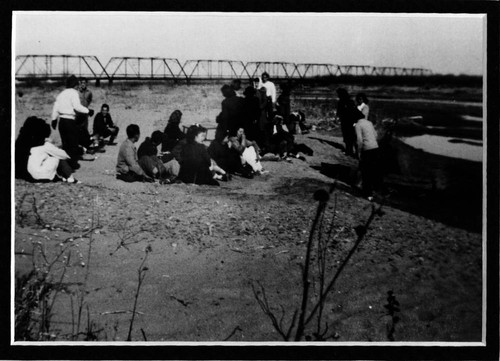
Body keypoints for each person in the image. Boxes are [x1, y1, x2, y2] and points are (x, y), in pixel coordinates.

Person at [51, 75, 94, 170]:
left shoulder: (61, 94)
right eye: (77, 84)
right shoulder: (74, 93)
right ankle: (72, 164)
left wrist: (54, 119)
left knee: (65, 144)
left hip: (61, 121)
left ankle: (65, 164)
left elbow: (56, 107)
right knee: (73, 144)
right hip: (70, 121)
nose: (78, 86)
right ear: (74, 84)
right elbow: (77, 106)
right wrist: (88, 111)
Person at [355, 109, 382, 200]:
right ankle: (376, 190)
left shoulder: (358, 125)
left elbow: (359, 140)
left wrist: (358, 152)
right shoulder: (369, 123)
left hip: (367, 149)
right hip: (375, 148)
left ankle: (368, 193)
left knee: (366, 171)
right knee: (374, 170)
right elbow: (375, 135)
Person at [76, 77, 97, 154]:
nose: (83, 84)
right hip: (78, 114)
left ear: (86, 84)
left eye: (84, 83)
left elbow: (89, 100)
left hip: (85, 114)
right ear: (79, 83)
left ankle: (85, 146)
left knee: (85, 129)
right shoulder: (77, 92)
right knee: (78, 129)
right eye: (81, 83)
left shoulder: (89, 92)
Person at [336, 88, 358, 157]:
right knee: (350, 136)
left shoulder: (343, 102)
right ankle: (351, 151)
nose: (338, 95)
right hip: (348, 121)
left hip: (347, 121)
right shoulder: (349, 101)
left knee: (348, 136)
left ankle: (350, 151)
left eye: (339, 94)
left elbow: (339, 112)